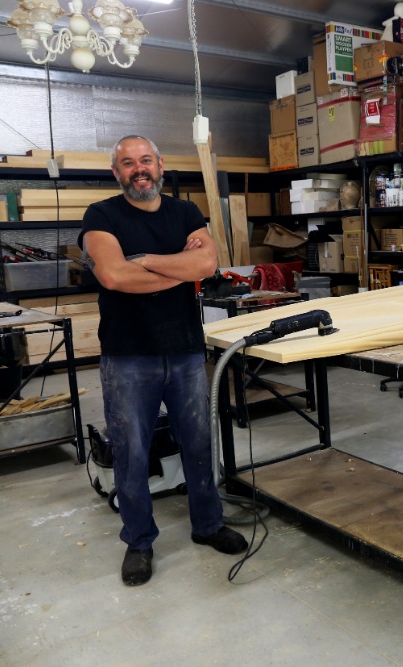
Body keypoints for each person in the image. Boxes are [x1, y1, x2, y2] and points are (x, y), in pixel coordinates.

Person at [80, 135, 247, 586]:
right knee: (131, 452)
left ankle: (207, 524)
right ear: (117, 173)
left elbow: (207, 267)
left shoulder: (186, 213)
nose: (139, 169)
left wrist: (148, 262)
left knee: (198, 441)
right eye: (128, 163)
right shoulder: (101, 216)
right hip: (128, 354)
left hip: (185, 350)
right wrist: (177, 269)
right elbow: (113, 275)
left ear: (160, 166)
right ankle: (139, 541)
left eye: (146, 160)